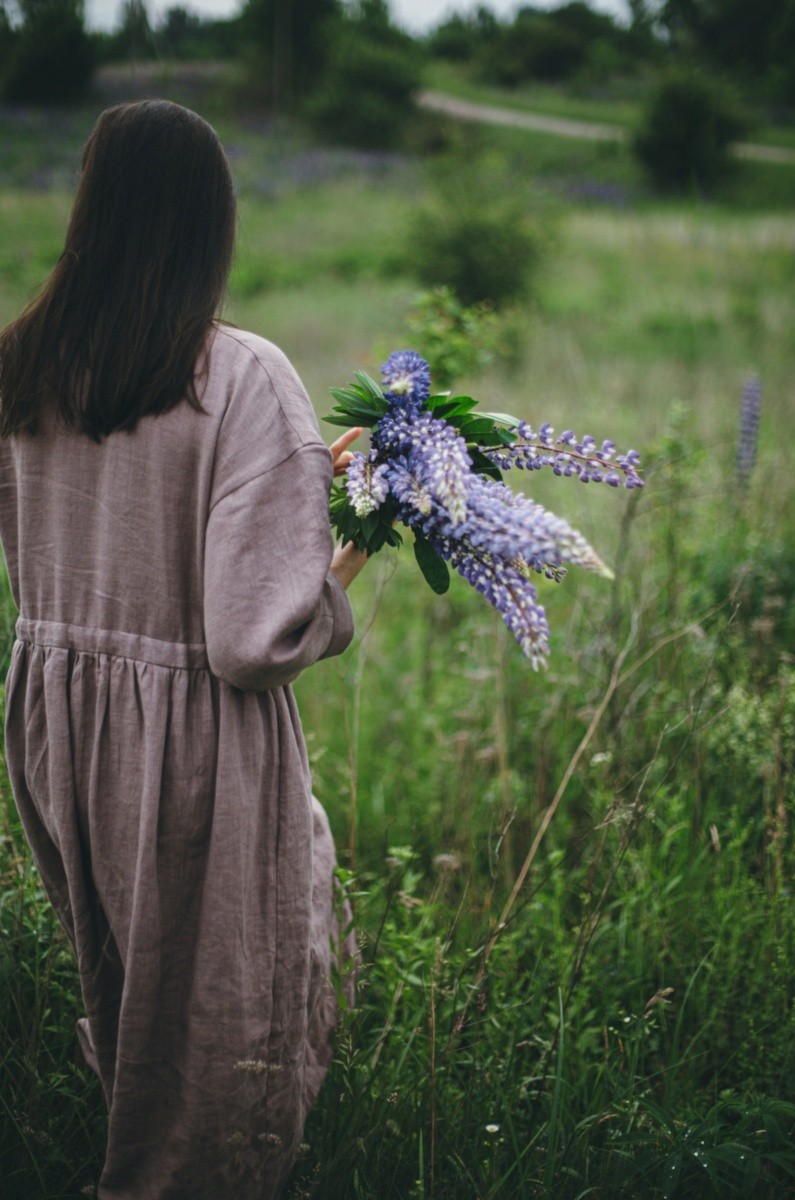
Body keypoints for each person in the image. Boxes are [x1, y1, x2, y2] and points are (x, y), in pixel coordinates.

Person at [0, 98, 366, 1199]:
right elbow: (250, 640)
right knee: (219, 1022)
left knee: (127, 991)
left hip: (55, 717)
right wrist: (343, 553)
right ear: (211, 223)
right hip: (189, 734)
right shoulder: (242, 377)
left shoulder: (21, 364)